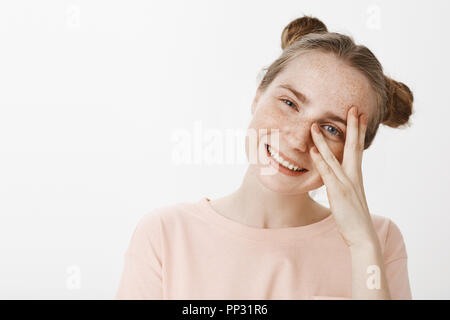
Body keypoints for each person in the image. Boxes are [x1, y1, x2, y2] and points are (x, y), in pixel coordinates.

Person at [115, 16, 414, 300]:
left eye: (331, 129)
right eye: (289, 103)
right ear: (258, 95)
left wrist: (362, 244)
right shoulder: (165, 235)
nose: (298, 139)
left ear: (355, 150)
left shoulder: (379, 241)